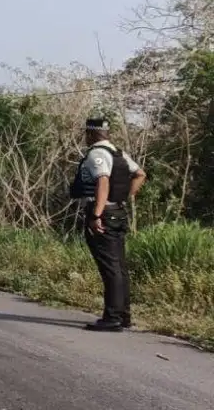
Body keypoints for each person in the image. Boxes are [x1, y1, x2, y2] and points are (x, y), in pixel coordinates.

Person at [69, 117, 146, 332]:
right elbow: (140, 174)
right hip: (118, 212)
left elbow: (102, 181)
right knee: (119, 266)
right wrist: (121, 197)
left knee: (111, 268)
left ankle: (112, 318)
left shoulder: (97, 154)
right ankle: (123, 316)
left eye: (86, 133)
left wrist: (97, 215)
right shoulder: (118, 153)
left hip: (103, 214)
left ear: (91, 133)